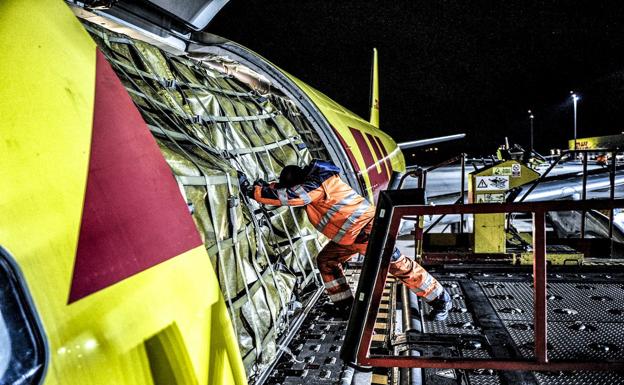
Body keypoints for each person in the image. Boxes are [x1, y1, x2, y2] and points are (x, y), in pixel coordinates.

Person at [238, 159, 452, 321]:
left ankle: (441, 299)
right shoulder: (313, 181)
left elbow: (292, 196)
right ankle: (345, 306)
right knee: (326, 261)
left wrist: (251, 190)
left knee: (399, 266)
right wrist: (267, 187)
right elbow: (289, 191)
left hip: (370, 231)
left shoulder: (316, 187)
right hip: (352, 236)